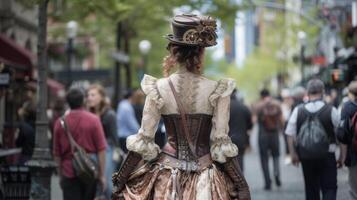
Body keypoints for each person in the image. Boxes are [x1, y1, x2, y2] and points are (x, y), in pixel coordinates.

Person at [112, 14, 250, 200]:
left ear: (174, 52)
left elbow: (144, 138)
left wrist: (120, 180)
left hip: (166, 177)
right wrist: (241, 185)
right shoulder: (217, 90)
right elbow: (221, 143)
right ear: (201, 52)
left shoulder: (158, 88)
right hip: (205, 179)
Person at [285, 79, 342, 200]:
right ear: (323, 91)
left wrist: (293, 154)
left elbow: (289, 133)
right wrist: (342, 156)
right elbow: (340, 134)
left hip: (306, 155)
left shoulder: (298, 110)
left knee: (311, 188)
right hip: (328, 154)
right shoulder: (331, 110)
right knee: (329, 187)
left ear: (307, 92)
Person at [53, 88, 107, 200]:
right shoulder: (94, 120)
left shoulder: (60, 122)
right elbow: (101, 149)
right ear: (83, 101)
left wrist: (60, 174)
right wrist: (101, 175)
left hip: (68, 170)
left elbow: (57, 153)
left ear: (68, 102)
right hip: (89, 169)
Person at [87, 84, 119, 199]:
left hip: (107, 149)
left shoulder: (109, 114)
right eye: (88, 95)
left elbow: (114, 138)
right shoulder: (88, 113)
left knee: (106, 183)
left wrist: (115, 152)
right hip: (92, 151)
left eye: (93, 95)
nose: (89, 97)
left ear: (101, 97)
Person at [337, 81, 357, 199]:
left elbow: (342, 134)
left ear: (350, 93)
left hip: (354, 154)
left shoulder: (348, 107)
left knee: (354, 190)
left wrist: (342, 156)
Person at [229, 89, 253, 172]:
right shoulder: (243, 107)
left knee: (227, 163)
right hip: (241, 139)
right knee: (240, 161)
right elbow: (250, 126)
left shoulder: (224, 108)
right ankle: (240, 181)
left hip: (227, 139)